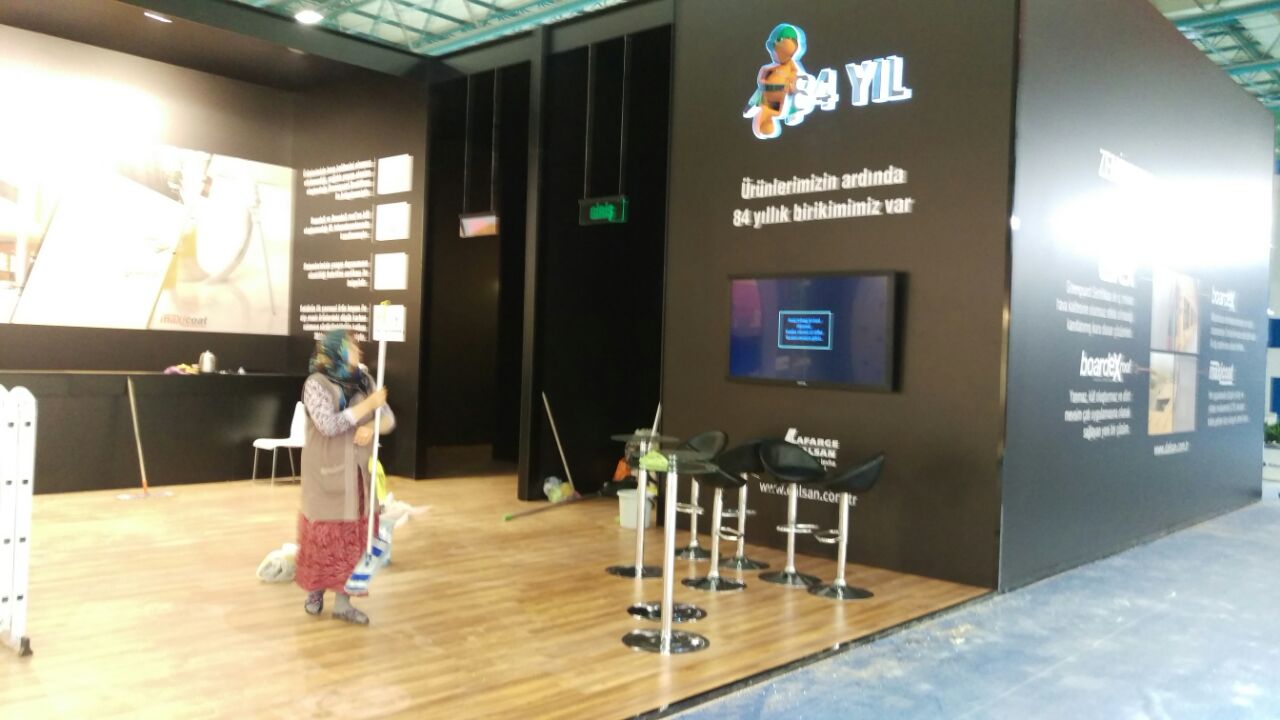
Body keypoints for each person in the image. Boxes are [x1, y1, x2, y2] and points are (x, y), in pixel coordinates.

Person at [295, 329, 394, 625]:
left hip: (359, 476)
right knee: (324, 537)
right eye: (351, 345)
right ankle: (316, 589)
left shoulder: (365, 381)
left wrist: (372, 426)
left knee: (355, 540)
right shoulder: (316, 383)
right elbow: (327, 425)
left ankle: (343, 603)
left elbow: (388, 419)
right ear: (335, 350)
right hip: (326, 474)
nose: (358, 350)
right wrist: (368, 406)